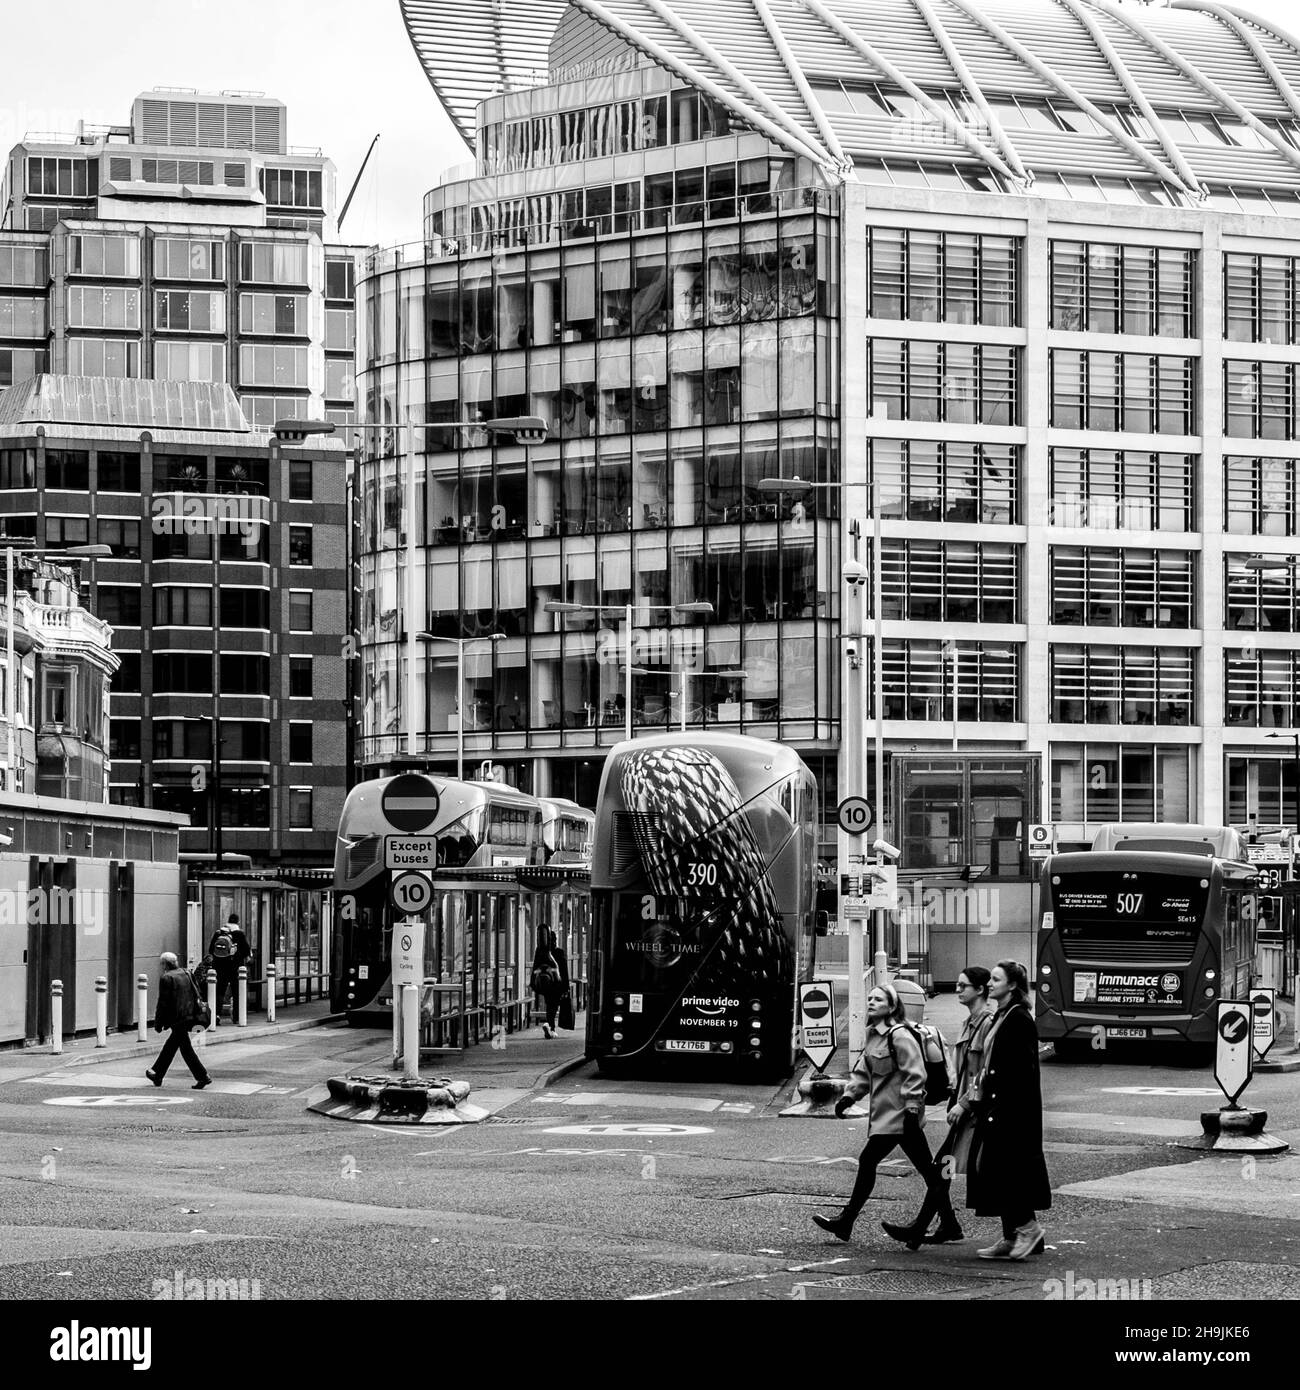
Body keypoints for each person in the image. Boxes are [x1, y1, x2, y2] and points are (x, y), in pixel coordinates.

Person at [811, 984, 958, 1243]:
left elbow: (916, 1074)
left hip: (901, 1116)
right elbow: (865, 1072)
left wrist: (912, 1108)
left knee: (869, 1161)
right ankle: (949, 1223)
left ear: (891, 1006)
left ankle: (846, 1221)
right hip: (887, 1115)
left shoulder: (899, 1036)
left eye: (878, 999)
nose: (871, 1002)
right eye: (870, 998)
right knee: (929, 1171)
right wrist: (849, 1096)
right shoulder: (873, 1035)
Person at [881, 965, 995, 1250]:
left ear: (980, 990)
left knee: (955, 1169)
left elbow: (986, 1072)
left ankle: (923, 1229)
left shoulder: (988, 1024)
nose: (958, 989)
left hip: (976, 1113)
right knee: (942, 1169)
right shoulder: (969, 1023)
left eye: (963, 986)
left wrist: (965, 1103)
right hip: (964, 1110)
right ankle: (943, 1225)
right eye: (957, 984)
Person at [965, 959, 1052, 1261]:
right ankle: (1011, 1235)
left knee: (1004, 1170)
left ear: (1012, 986)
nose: (990, 984)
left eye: (997, 980)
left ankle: (1027, 1229)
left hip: (1011, 1111)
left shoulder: (1018, 1019)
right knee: (996, 1169)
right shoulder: (1003, 1015)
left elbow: (1019, 1072)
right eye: (991, 979)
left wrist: (1001, 1107)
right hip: (995, 1104)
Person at [146, 952, 211, 1090]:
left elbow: (163, 1003)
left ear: (164, 964)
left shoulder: (166, 978)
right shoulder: (187, 972)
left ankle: (202, 1076)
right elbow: (197, 992)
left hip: (177, 1018)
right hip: (190, 1015)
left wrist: (158, 1022)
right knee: (174, 1046)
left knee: (184, 1048)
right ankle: (157, 1073)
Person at [208, 913, 251, 1023]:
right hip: (235, 968)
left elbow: (210, 950)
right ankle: (237, 1016)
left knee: (219, 991)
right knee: (237, 992)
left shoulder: (218, 933)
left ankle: (215, 1015)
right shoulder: (239, 934)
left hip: (219, 968)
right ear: (238, 922)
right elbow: (246, 951)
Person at [530, 925, 569, 1039]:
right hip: (557, 984)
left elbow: (534, 967)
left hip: (545, 984)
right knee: (553, 1005)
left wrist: (533, 983)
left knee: (550, 1004)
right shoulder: (559, 952)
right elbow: (564, 972)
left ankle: (550, 1027)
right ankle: (550, 1026)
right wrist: (566, 987)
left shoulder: (540, 952)